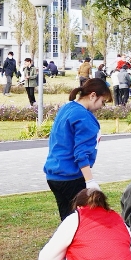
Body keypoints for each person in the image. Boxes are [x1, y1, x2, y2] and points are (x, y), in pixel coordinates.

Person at [44, 80, 112, 219]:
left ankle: (68, 240)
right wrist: (90, 181)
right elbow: (81, 154)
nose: (102, 106)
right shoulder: (84, 117)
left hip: (54, 175)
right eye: (103, 102)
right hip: (71, 177)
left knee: (69, 219)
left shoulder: (67, 107)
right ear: (93, 96)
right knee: (84, 220)